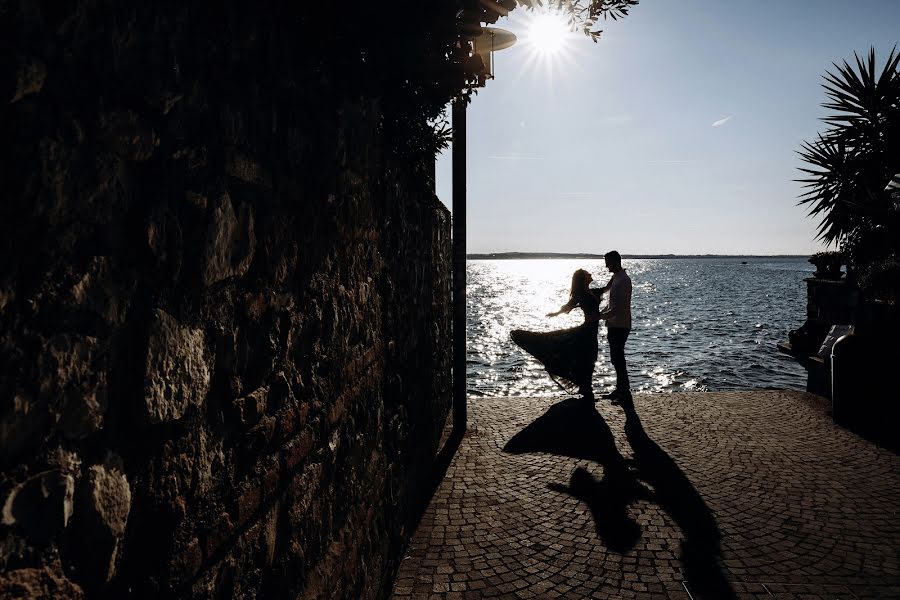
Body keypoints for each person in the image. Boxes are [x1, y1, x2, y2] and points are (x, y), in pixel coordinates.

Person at [510, 269, 603, 399]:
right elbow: (568, 306)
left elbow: (608, 287)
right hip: (586, 331)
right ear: (583, 279)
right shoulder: (580, 294)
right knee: (587, 358)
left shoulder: (592, 292)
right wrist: (556, 313)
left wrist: (618, 274)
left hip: (591, 331)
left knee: (588, 358)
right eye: (588, 274)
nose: (590, 275)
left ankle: (586, 388)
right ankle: (586, 390)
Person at [596, 251, 632, 401]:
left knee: (618, 359)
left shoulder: (623, 280)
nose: (606, 266)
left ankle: (623, 392)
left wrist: (598, 316)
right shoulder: (616, 277)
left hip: (620, 325)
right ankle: (621, 390)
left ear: (616, 262)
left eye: (608, 263)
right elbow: (607, 296)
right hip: (615, 324)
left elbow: (616, 308)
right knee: (616, 358)